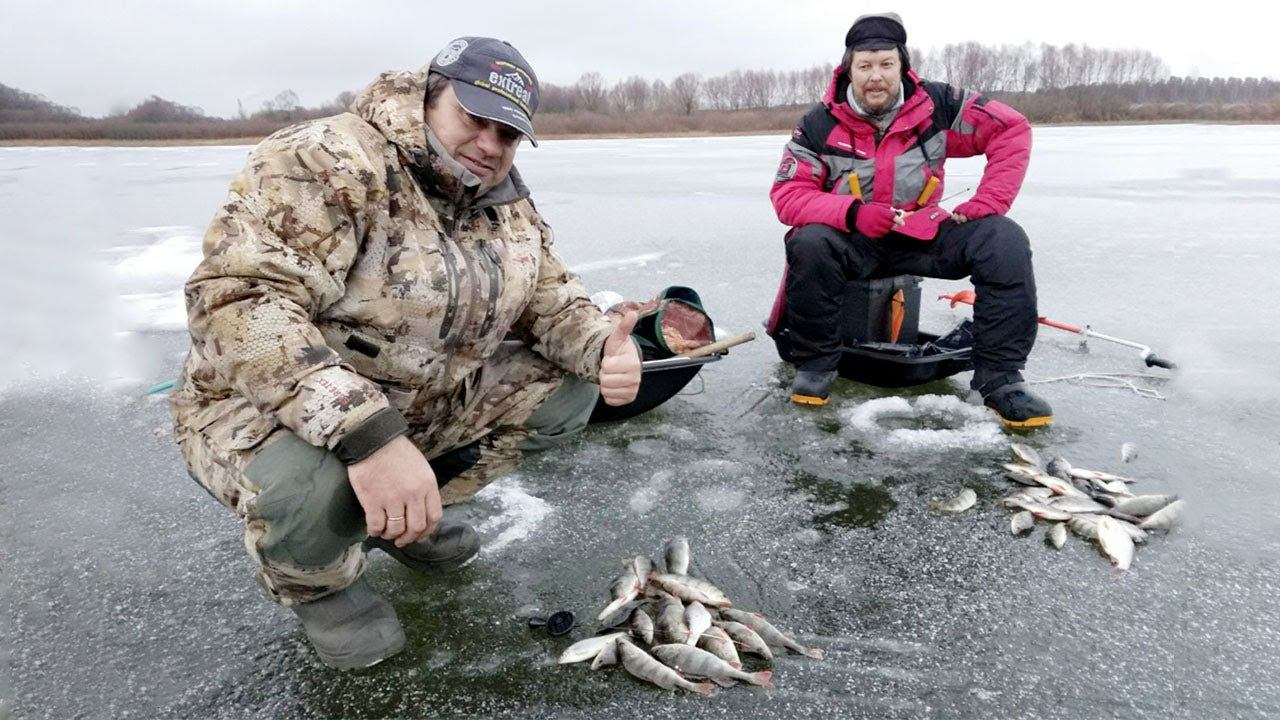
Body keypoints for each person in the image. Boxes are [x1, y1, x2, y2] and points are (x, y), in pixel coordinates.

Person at [170, 36, 642, 670]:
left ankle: (400, 520)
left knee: (566, 387)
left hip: (416, 396)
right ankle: (323, 583)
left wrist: (600, 347)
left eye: (507, 135)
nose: (489, 146)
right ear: (429, 94)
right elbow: (239, 301)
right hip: (261, 404)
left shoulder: (505, 203)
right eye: (475, 119)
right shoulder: (328, 159)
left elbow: (551, 299)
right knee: (310, 484)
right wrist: (367, 432)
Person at [769, 12, 1053, 427]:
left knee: (1003, 240)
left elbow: (1011, 129)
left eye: (886, 64)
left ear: (903, 65)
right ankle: (815, 368)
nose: (876, 77)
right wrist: (853, 213)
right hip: (858, 240)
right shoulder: (818, 124)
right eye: (865, 66)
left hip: (924, 235)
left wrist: (988, 202)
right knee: (809, 242)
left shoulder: (940, 105)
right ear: (848, 68)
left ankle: (1000, 379)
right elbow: (788, 196)